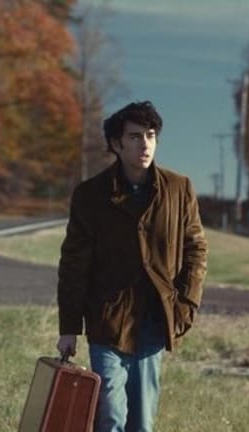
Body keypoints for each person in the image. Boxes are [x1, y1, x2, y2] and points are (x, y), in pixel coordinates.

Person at [56, 100, 208, 431]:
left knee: (142, 422)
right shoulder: (90, 195)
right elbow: (73, 263)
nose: (145, 144)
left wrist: (186, 305)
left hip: (155, 320)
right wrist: (68, 327)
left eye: (151, 136)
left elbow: (195, 249)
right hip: (106, 320)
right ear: (116, 144)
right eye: (136, 136)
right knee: (110, 413)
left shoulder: (179, 189)